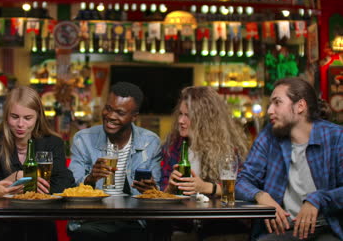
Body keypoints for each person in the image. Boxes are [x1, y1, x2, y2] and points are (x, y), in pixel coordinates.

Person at [236, 77, 343, 241]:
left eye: (277, 103)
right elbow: (242, 181)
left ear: (300, 106)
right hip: (280, 231)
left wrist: (317, 199)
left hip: (325, 229)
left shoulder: (335, 136)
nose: (270, 110)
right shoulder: (268, 136)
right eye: (270, 104)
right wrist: (261, 196)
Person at [68, 81, 162, 241]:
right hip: (92, 218)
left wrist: (151, 190)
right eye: (108, 109)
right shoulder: (83, 139)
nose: (111, 116)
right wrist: (90, 179)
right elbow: (70, 190)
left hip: (133, 220)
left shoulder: (150, 142)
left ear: (134, 116)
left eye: (120, 112)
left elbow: (157, 193)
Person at [160, 86, 250, 240]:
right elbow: (161, 192)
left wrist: (206, 187)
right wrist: (170, 188)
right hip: (182, 224)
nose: (180, 121)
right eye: (180, 114)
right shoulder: (173, 146)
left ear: (205, 119)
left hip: (219, 225)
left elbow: (243, 189)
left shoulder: (228, 148)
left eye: (188, 116)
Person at [0, 86, 75, 241]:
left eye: (27, 118)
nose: (20, 124)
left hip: (41, 224)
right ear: (6, 116)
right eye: (14, 117)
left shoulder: (53, 143)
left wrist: (30, 190)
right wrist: (17, 177)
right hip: (2, 224)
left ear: (38, 117)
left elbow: (64, 183)